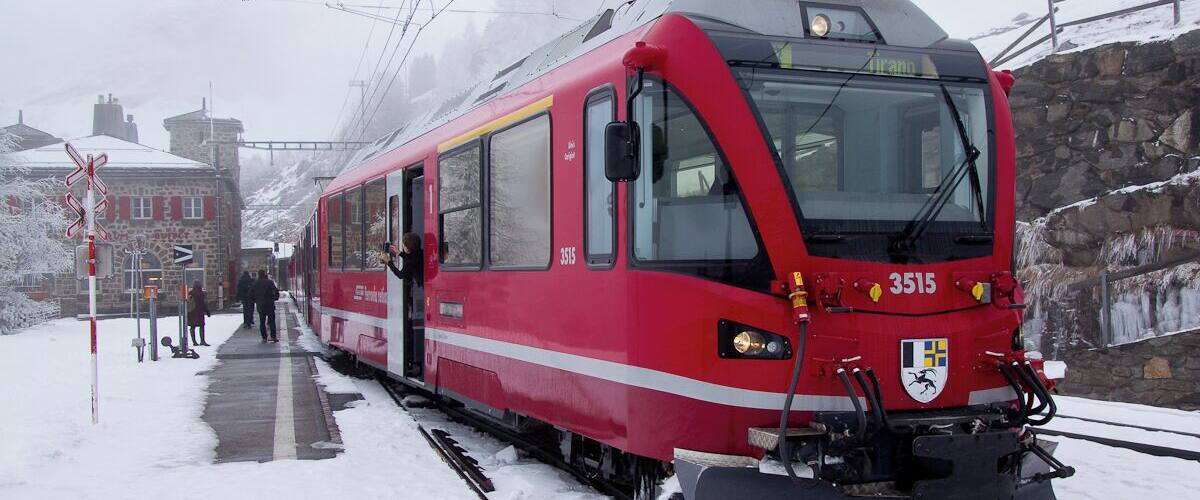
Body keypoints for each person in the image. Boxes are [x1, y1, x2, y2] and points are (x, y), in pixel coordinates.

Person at [250, 269, 280, 343]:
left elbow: (250, 294)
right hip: (269, 304)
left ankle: (264, 337)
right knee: (272, 321)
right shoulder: (270, 282)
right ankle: (273, 336)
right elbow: (276, 291)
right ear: (265, 274)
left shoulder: (255, 283)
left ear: (258, 275)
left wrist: (255, 300)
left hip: (260, 305)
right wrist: (275, 298)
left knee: (262, 321)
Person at [187, 281, 212, 346]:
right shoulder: (201, 293)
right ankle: (202, 341)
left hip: (191, 312)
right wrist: (207, 311)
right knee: (201, 326)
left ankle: (194, 342)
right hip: (199, 312)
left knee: (192, 327)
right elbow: (203, 304)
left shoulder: (190, 293)